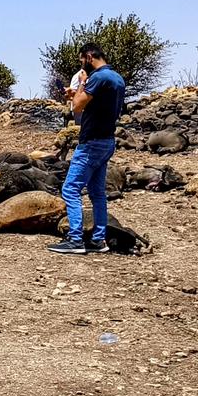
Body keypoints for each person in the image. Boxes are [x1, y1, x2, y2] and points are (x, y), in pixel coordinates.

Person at [48, 43, 125, 255]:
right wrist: (75, 92)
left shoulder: (97, 78)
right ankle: (99, 240)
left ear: (89, 57)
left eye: (82, 60)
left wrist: (81, 84)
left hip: (91, 142)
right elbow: (94, 103)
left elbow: (77, 107)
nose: (82, 64)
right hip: (107, 140)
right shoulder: (116, 78)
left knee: (70, 189)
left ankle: (75, 240)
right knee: (97, 193)